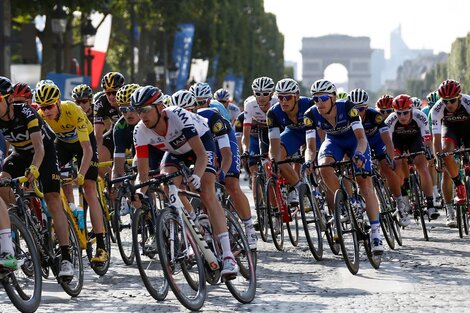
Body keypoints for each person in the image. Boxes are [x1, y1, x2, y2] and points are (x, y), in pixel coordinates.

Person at [131, 86, 239, 278]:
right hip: (174, 152)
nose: (142, 115)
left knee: (206, 192)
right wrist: (139, 192)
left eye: (146, 109)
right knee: (167, 185)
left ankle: (228, 255)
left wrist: (196, 176)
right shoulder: (140, 131)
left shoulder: (177, 116)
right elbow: (143, 173)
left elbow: (201, 155)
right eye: (139, 111)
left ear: (160, 107)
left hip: (201, 146)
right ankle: (194, 225)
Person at [0, 77, 73, 276]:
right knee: (2, 181)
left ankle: (66, 257)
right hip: (20, 154)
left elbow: (39, 148)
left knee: (52, 199)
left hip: (45, 152)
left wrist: (34, 169)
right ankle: (22, 217)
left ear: (8, 100)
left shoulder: (26, 113)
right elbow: (6, 149)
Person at [303, 79, 384, 254]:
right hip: (333, 142)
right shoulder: (310, 115)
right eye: (315, 99)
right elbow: (311, 148)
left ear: (333, 97)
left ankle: (376, 231)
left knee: (364, 183)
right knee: (324, 167)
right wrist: (309, 161)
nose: (319, 103)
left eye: (323, 98)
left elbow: (362, 139)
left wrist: (360, 154)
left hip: (355, 140)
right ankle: (343, 202)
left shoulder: (347, 107)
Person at [172, 90, 257, 249]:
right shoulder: (172, 124)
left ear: (195, 109)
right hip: (200, 149)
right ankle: (202, 224)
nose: (183, 116)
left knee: (231, 185)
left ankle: (249, 227)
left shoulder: (211, 117)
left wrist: (222, 172)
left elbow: (226, 153)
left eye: (188, 111)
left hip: (221, 144)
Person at [35, 82, 108, 263]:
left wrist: (81, 175)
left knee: (89, 188)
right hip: (63, 145)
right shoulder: (40, 116)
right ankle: (66, 220)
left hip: (84, 144)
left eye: (50, 106)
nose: (47, 110)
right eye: (43, 107)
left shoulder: (73, 110)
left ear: (58, 102)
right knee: (52, 185)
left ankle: (101, 246)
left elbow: (87, 150)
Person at [348, 88, 410, 227]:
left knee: (387, 169)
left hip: (377, 142)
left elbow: (387, 139)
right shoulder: (347, 118)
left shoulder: (375, 115)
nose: (358, 112)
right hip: (360, 145)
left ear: (367, 106)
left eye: (362, 108)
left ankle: (400, 203)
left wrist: (390, 157)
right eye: (355, 109)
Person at [386, 94, 439, 220]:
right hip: (397, 141)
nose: (402, 117)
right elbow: (387, 142)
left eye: (405, 113)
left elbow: (427, 140)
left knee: (422, 167)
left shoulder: (420, 116)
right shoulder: (390, 120)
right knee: (396, 165)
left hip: (415, 140)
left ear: (411, 110)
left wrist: (429, 152)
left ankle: (430, 204)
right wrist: (390, 157)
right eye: (398, 113)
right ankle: (402, 195)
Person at [266, 78, 312, 205]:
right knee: (278, 158)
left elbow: (322, 130)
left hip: (312, 132)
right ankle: (299, 189)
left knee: (320, 158)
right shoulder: (273, 112)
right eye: (280, 98)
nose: (284, 101)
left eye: (288, 97)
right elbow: (274, 141)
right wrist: (274, 160)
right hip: (293, 133)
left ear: (297, 96)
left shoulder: (309, 104)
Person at [431, 79, 470, 227]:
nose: (448, 105)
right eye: (445, 101)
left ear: (459, 97)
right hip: (450, 130)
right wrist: (437, 158)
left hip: (468, 130)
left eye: (452, 101)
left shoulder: (468, 102)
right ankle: (459, 186)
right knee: (445, 154)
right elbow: (435, 138)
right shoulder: (437, 109)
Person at [242, 77, 278, 195]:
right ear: (253, 93)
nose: (261, 97)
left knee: (277, 159)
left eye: (265, 94)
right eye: (258, 94)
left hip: (276, 131)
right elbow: (245, 133)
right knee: (253, 168)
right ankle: (259, 203)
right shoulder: (250, 104)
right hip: (258, 133)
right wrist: (245, 150)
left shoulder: (277, 102)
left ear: (271, 94)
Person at [94, 72, 125, 176]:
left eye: (114, 93)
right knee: (97, 162)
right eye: (108, 93)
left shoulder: (130, 97)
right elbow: (97, 135)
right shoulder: (101, 102)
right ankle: (115, 185)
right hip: (115, 132)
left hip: (134, 131)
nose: (111, 96)